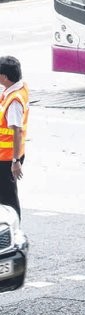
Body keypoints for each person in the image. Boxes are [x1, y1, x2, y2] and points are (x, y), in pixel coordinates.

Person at [0, 56, 29, 217]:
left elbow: (16, 131)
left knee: (8, 200)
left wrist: (15, 161)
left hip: (7, 158)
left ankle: (12, 232)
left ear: (4, 77)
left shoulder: (14, 102)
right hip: (7, 156)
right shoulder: (19, 87)